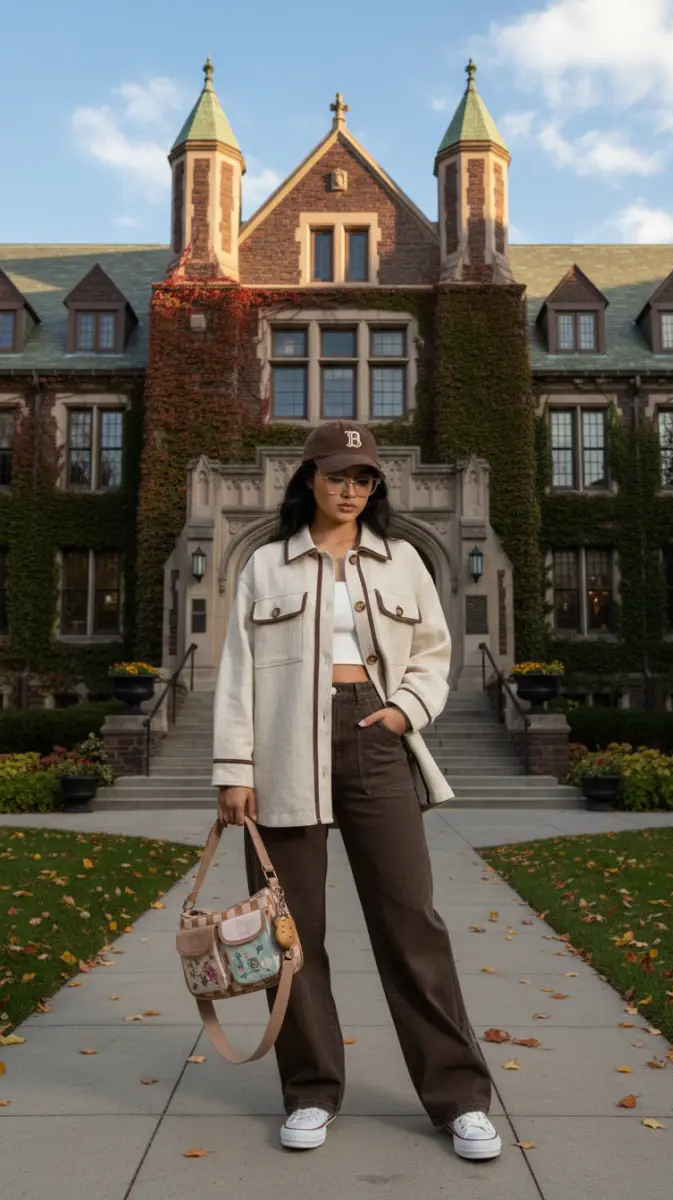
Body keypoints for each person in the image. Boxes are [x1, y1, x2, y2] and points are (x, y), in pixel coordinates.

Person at [212, 420, 500, 1161]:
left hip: (375, 736)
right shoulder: (265, 564)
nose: (350, 490)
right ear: (309, 477)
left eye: (364, 478)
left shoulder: (404, 560)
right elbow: (237, 671)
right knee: (290, 931)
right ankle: (310, 1091)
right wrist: (235, 769)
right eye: (338, 475)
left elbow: (434, 652)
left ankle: (460, 1099)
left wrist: (404, 710)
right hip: (282, 748)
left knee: (411, 921)